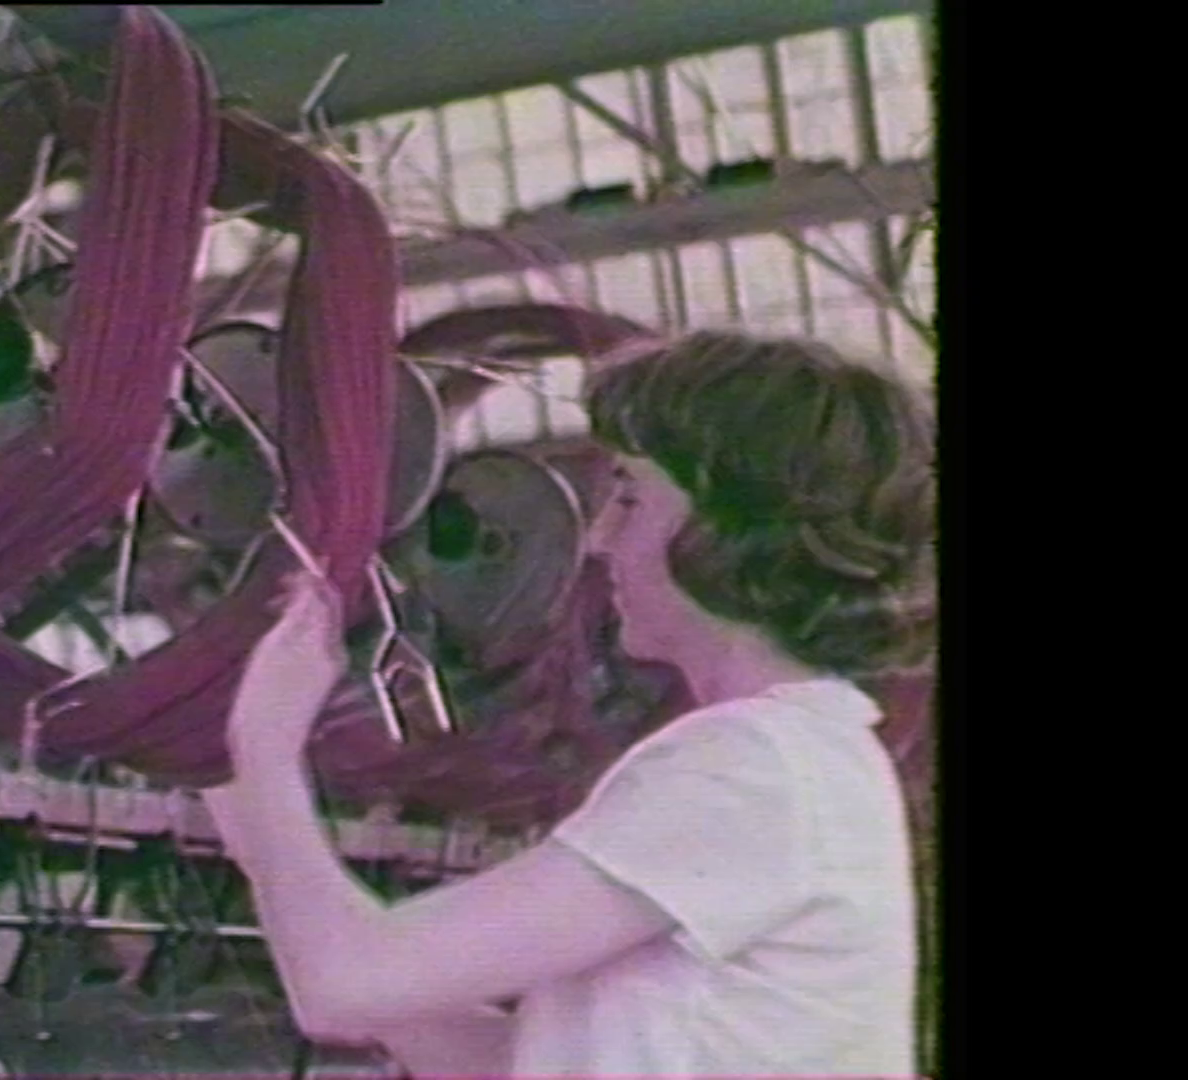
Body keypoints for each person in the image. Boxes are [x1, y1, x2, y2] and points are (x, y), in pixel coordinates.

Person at [203, 329, 936, 1078]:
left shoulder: (751, 766)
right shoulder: (803, 760)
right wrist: (257, 825)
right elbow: (521, 1063)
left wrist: (263, 745)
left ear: (730, 526)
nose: (597, 539)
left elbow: (344, 988)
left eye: (628, 494)